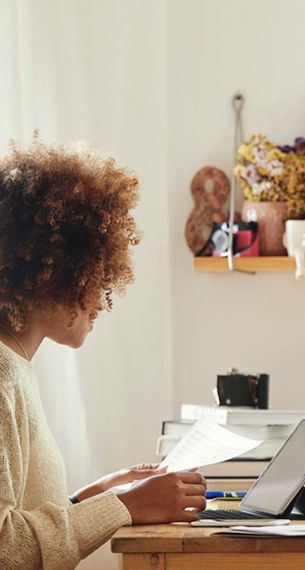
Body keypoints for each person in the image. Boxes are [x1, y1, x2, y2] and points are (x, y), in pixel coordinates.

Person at [0, 140, 207, 569]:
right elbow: (5, 548)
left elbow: (23, 514)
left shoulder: (15, 366)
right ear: (52, 269)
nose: (103, 295)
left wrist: (97, 495)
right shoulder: (2, 376)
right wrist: (124, 505)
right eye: (96, 271)